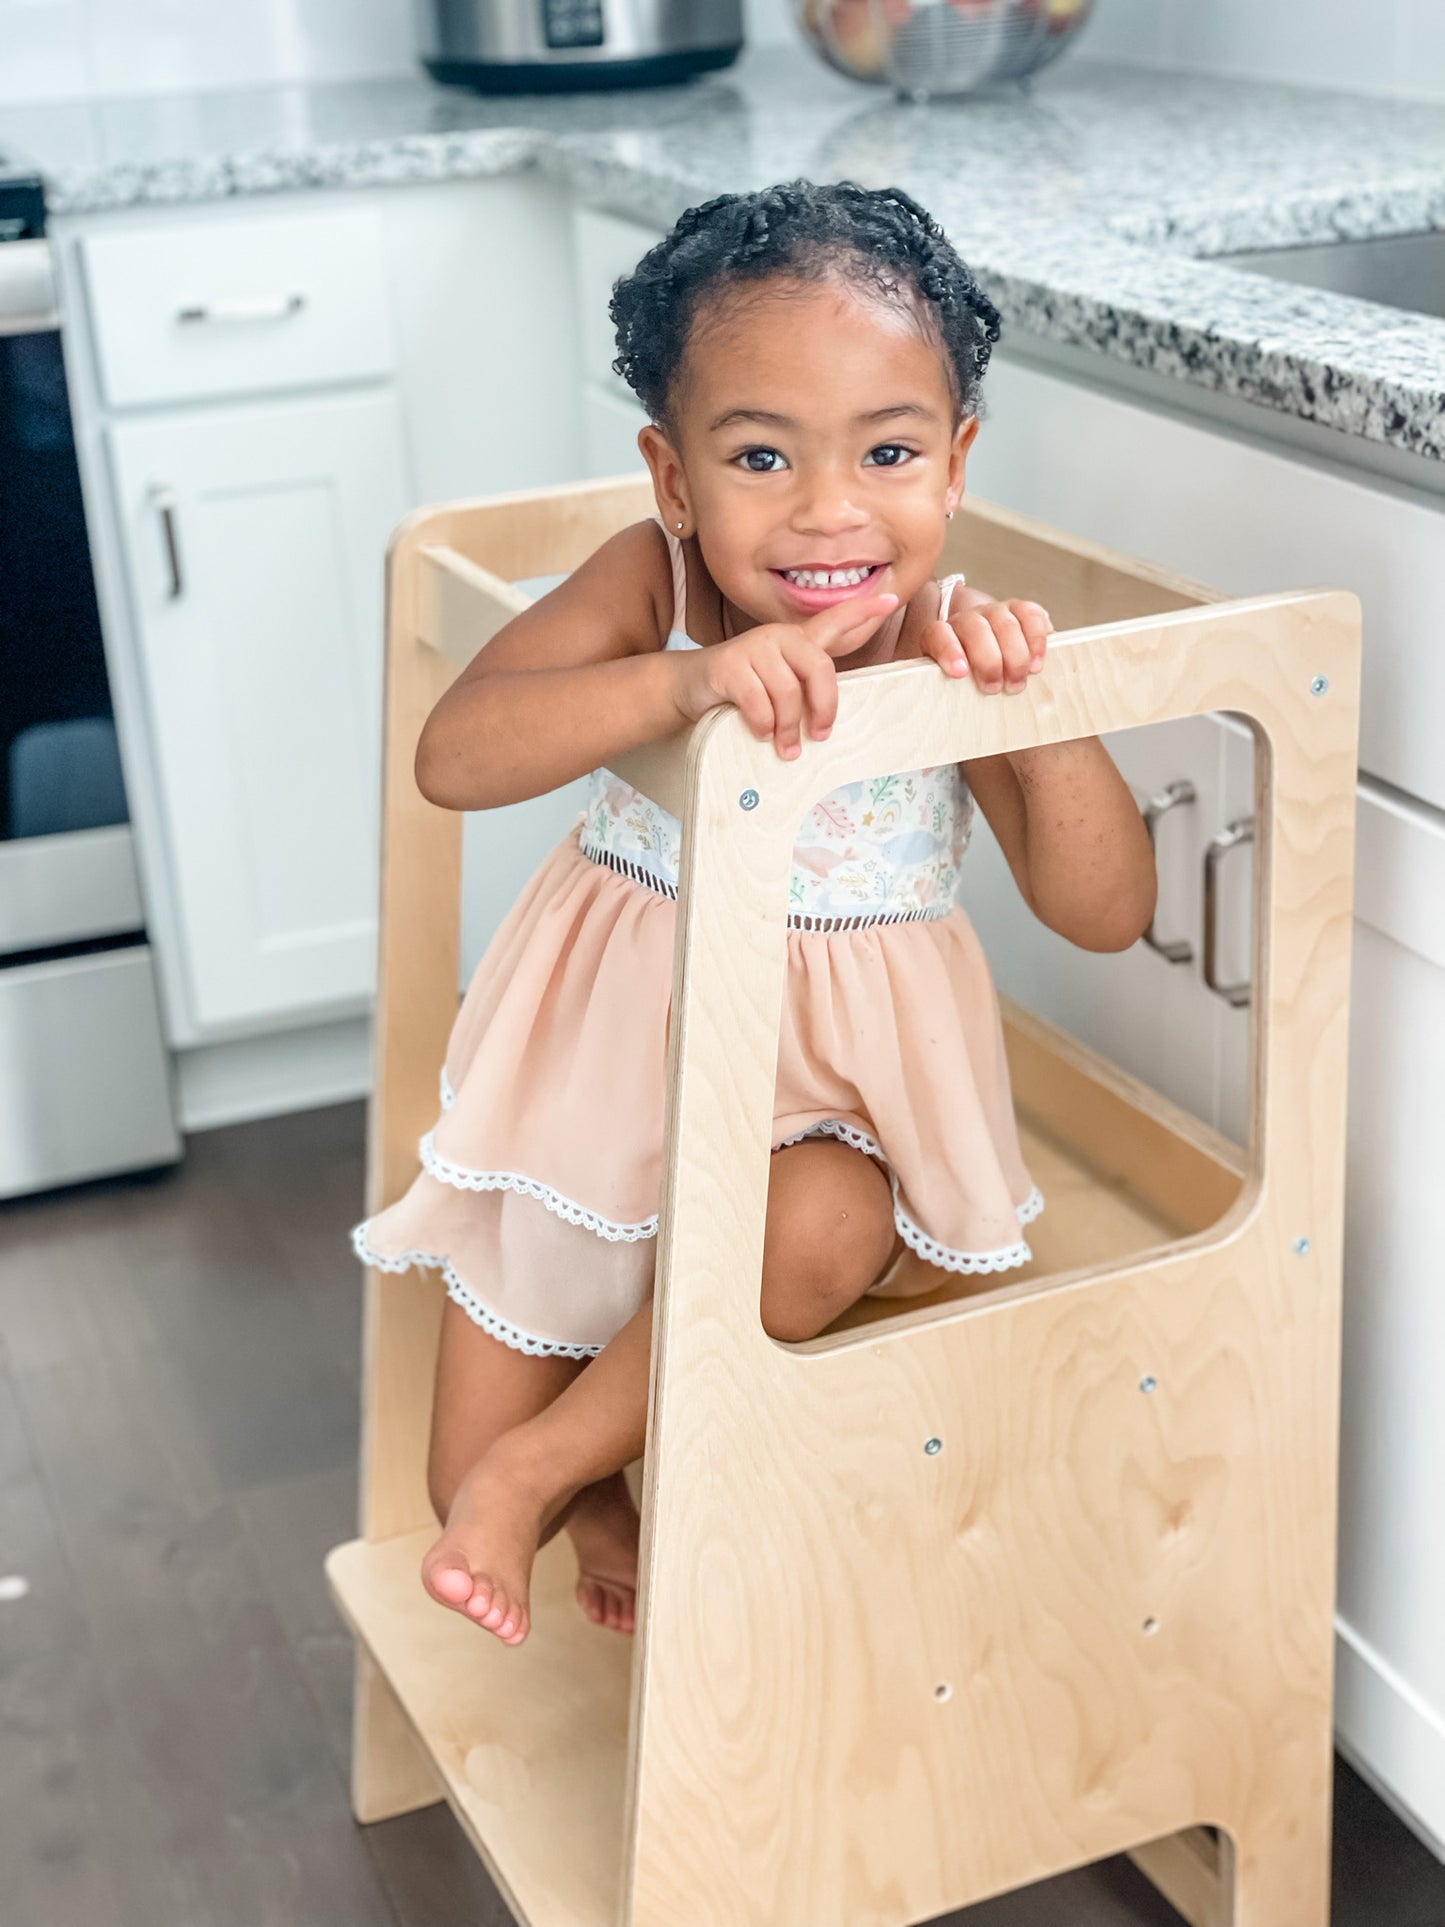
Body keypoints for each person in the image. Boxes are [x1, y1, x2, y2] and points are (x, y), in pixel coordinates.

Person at [353, 181, 1157, 1647]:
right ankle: (590, 1471)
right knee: (442, 1476)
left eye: (890, 452)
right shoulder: (649, 583)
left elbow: (1104, 914)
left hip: (822, 1123)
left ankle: (556, 1456)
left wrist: (1035, 705)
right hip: (596, 1099)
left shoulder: (940, 647)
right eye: (761, 456)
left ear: (956, 463)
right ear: (674, 479)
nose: (828, 509)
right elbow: (451, 756)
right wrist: (677, 685)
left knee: (815, 1229)